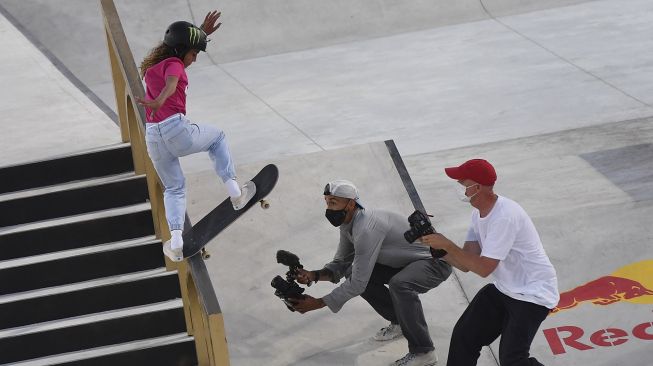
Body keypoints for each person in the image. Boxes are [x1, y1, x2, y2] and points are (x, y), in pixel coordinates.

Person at [291, 180, 452, 366]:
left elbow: (359, 282)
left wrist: (319, 303)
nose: (329, 208)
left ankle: (424, 352)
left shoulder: (367, 227)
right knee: (353, 271)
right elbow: (342, 263)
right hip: (405, 263)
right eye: (327, 202)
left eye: (333, 202)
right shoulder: (348, 223)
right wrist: (314, 275)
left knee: (400, 284)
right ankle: (399, 321)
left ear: (350, 203)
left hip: (435, 262)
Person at [137, 11, 255, 262]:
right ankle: (236, 194)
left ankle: (177, 241)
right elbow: (171, 83)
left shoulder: (150, 68)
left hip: (154, 138)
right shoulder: (175, 64)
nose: (194, 60)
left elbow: (177, 47)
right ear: (181, 51)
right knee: (218, 137)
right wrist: (159, 100)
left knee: (174, 187)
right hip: (176, 130)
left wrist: (200, 32)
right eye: (194, 54)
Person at [420, 159, 559, 366]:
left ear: (477, 186)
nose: (459, 186)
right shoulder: (479, 214)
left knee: (513, 360)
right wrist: (437, 248)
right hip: (506, 289)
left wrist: (448, 244)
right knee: (464, 337)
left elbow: (484, 268)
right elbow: (466, 263)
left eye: (462, 182)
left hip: (533, 294)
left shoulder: (505, 217)